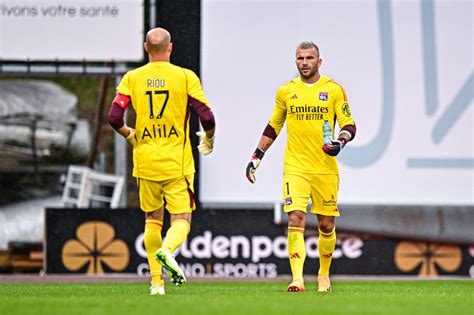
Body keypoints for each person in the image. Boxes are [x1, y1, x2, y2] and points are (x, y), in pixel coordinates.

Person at [108, 27, 215, 296]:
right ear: (170, 48)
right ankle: (168, 251)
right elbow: (207, 117)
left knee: (152, 220)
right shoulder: (184, 76)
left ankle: (157, 284)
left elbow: (113, 117)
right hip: (176, 162)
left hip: (145, 160)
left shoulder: (132, 78)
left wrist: (129, 134)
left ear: (146, 48)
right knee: (182, 219)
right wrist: (209, 139)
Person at [245, 41, 356, 293]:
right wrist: (256, 156)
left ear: (319, 61)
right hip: (295, 167)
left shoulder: (334, 89)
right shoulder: (286, 91)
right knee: (295, 217)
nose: (304, 63)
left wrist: (340, 142)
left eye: (309, 58)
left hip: (325, 168)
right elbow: (273, 126)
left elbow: (349, 124)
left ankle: (324, 276)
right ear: (295, 61)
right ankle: (297, 279)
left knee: (326, 224)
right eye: (300, 58)